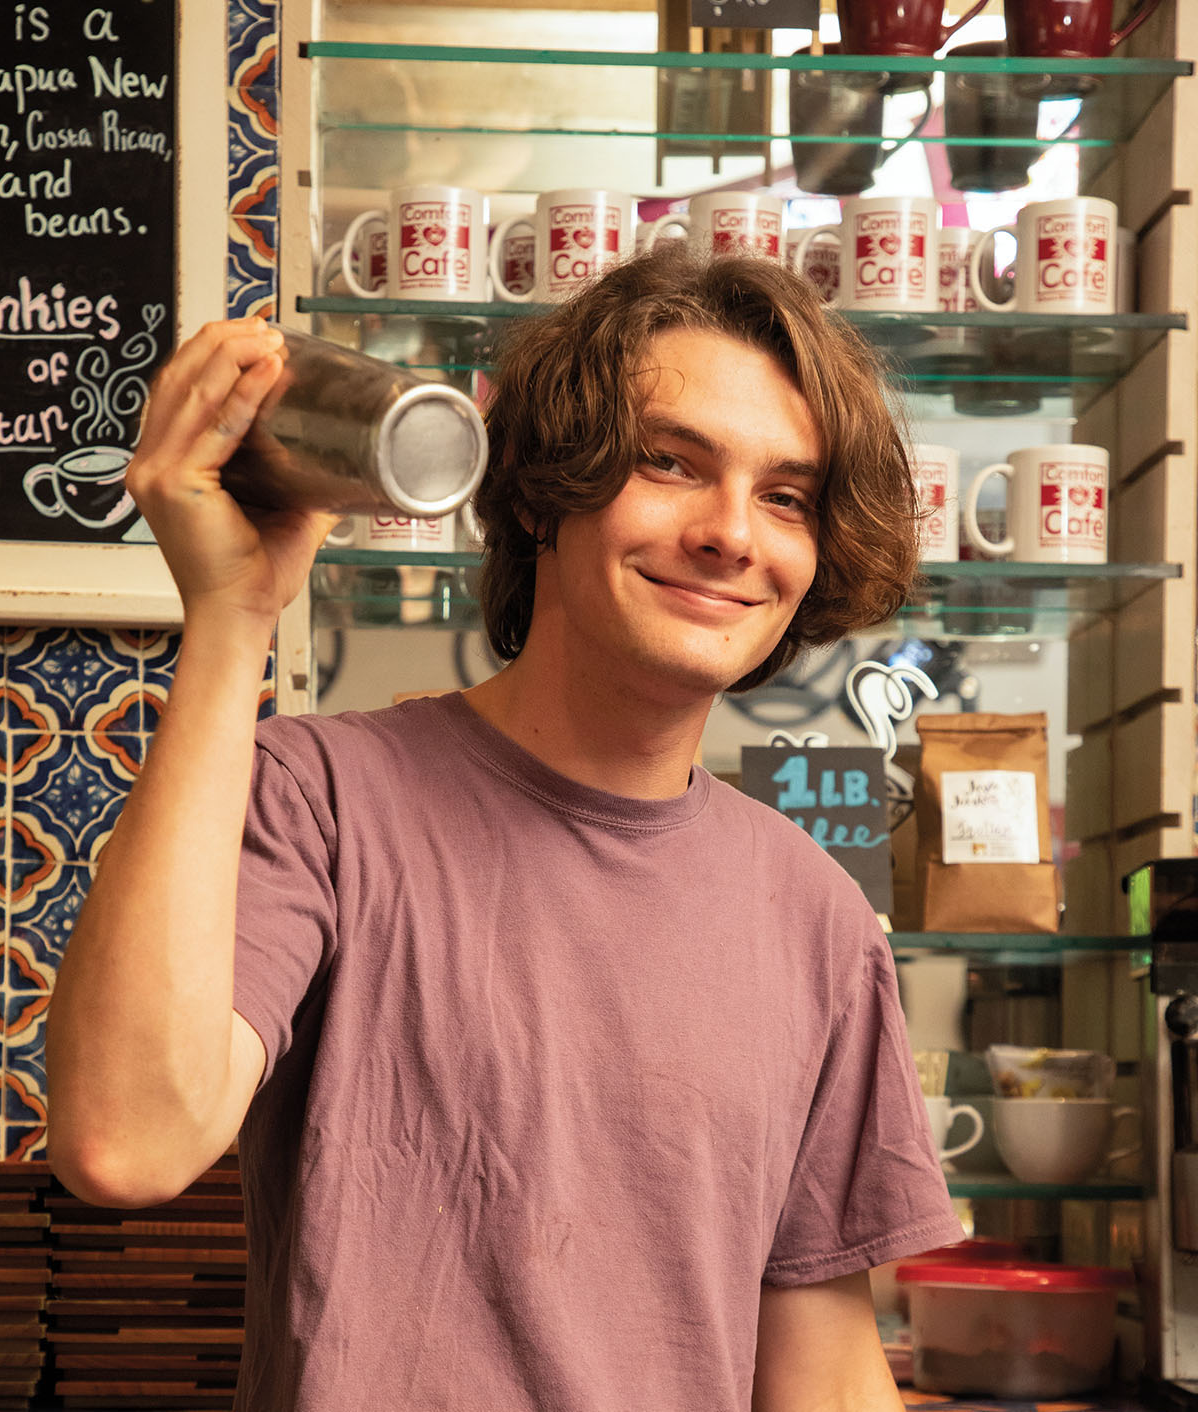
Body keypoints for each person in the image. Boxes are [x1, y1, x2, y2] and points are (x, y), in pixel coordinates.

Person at [46, 244, 962, 1411]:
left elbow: (820, 1360)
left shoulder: (818, 917)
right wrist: (233, 618)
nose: (734, 533)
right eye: (670, 464)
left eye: (786, 495)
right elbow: (126, 1140)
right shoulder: (321, 801)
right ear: (540, 490)